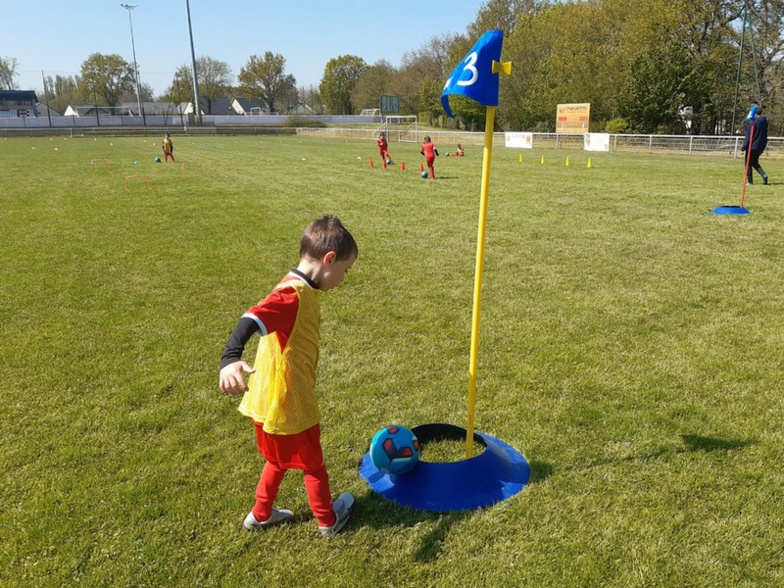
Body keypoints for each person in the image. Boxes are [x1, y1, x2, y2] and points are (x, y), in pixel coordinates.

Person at [219, 216, 359, 537]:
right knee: (313, 465)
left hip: (267, 400)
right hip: (290, 402)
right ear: (329, 259)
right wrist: (230, 358)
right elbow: (251, 317)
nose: (343, 278)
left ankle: (260, 514)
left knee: (278, 460)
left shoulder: (296, 286)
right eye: (345, 270)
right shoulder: (292, 295)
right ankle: (328, 521)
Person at [741, 105, 769, 185]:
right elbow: (765, 136)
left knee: (748, 163)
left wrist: (744, 147)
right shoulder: (764, 123)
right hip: (760, 146)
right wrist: (763, 147)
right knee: (754, 162)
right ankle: (764, 175)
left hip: (752, 146)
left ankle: (750, 181)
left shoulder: (754, 123)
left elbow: (749, 136)